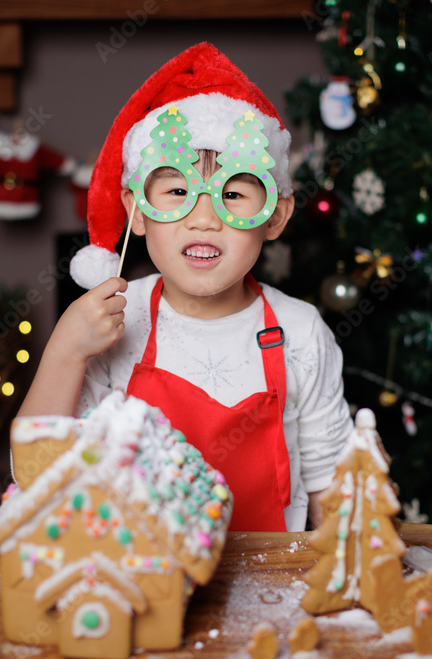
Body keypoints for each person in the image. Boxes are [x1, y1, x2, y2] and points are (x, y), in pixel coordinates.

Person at [18, 43, 353, 532]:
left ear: (276, 215)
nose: (203, 219)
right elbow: (35, 476)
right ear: (137, 208)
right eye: (177, 192)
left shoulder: (300, 331)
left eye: (233, 194)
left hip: (271, 587)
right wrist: (65, 352)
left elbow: (332, 484)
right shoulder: (113, 318)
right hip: (141, 584)